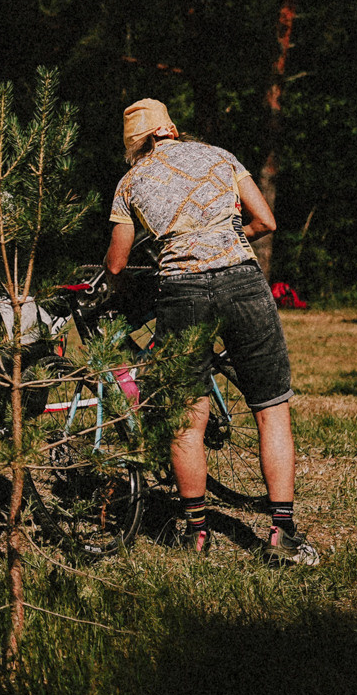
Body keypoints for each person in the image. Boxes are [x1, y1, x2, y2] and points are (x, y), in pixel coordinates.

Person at [103, 98, 316, 565]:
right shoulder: (220, 155)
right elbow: (266, 220)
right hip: (242, 280)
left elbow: (117, 262)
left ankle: (197, 533)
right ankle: (282, 534)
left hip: (181, 292)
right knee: (270, 409)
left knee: (187, 417)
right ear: (172, 129)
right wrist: (222, 238)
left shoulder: (130, 182)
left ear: (135, 145)